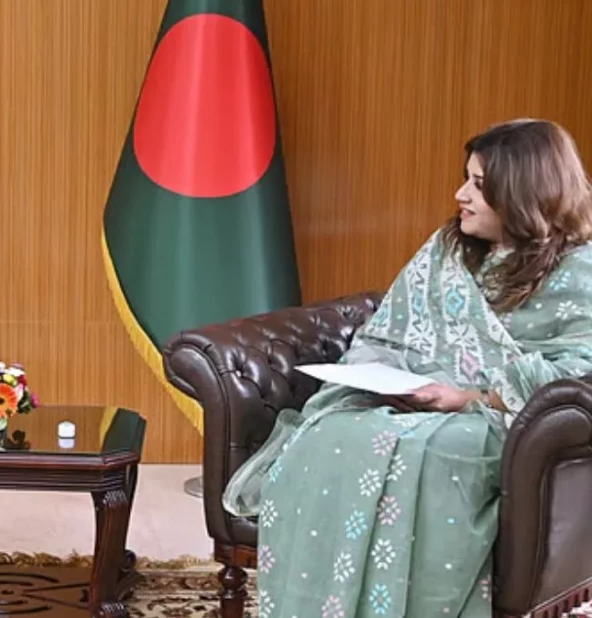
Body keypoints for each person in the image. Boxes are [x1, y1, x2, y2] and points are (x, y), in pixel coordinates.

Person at [223, 118, 592, 616]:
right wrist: (392, 382)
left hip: (502, 421)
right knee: (331, 432)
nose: (461, 195)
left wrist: (468, 398)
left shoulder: (579, 272)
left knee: (434, 450)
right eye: (465, 178)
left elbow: (576, 374)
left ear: (524, 193)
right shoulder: (449, 251)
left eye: (479, 185)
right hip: (420, 400)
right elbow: (386, 334)